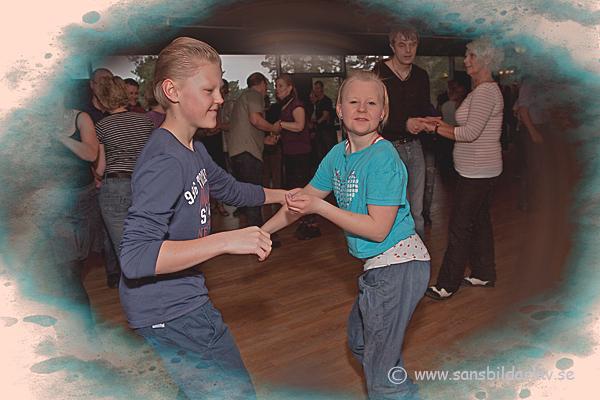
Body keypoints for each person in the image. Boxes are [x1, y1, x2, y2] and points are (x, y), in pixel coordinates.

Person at [119, 37, 287, 400]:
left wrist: (285, 195)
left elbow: (230, 188)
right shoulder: (165, 160)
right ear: (172, 91)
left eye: (220, 89)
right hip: (170, 309)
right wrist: (226, 240)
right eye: (209, 90)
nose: (221, 99)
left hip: (181, 298)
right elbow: (135, 257)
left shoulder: (192, 148)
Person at [263, 71, 430, 399]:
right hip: (378, 268)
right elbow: (303, 200)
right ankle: (399, 386)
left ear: (383, 113)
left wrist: (320, 208)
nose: (362, 108)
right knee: (361, 343)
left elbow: (378, 229)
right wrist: (262, 232)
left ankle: (394, 388)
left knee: (379, 375)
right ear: (339, 109)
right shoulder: (338, 154)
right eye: (354, 102)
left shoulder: (383, 158)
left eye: (372, 103)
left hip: (399, 267)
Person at [420, 38, 504, 300]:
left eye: (471, 56)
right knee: (479, 223)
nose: (465, 60)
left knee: (460, 227)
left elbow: (469, 134)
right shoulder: (481, 90)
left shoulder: (485, 92)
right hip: (479, 170)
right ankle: (484, 273)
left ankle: (447, 284)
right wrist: (437, 123)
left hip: (478, 172)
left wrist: (435, 128)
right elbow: (466, 128)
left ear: (486, 60)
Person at [373, 25, 436, 239]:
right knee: (393, 210)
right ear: (392, 47)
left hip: (415, 146)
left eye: (413, 44)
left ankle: (418, 255)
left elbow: (424, 107)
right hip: (388, 149)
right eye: (402, 45)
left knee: (417, 212)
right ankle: (395, 254)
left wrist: (430, 120)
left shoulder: (421, 75)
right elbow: (374, 115)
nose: (408, 50)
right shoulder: (378, 73)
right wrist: (404, 124)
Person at [94, 76, 155, 288]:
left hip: (115, 186)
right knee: (147, 238)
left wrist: (95, 176)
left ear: (103, 100)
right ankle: (152, 285)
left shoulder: (101, 126)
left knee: (123, 246)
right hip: (144, 185)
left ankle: (137, 291)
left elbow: (101, 167)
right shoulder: (145, 121)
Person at [226, 72, 281, 227]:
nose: (266, 90)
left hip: (237, 153)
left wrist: (264, 140)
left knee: (247, 197)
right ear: (262, 84)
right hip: (248, 155)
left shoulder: (241, 99)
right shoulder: (254, 95)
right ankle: (258, 234)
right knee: (254, 197)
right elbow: (256, 120)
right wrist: (274, 128)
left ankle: (251, 231)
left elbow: (245, 129)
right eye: (266, 86)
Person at [275, 74, 320, 240]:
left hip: (300, 153)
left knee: (302, 189)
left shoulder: (297, 105)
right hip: (291, 152)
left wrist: (281, 125)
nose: (277, 89)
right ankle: (305, 222)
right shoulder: (286, 105)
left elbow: (300, 126)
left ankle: (311, 225)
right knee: (295, 188)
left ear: (290, 88)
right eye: (276, 86)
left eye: (280, 86)